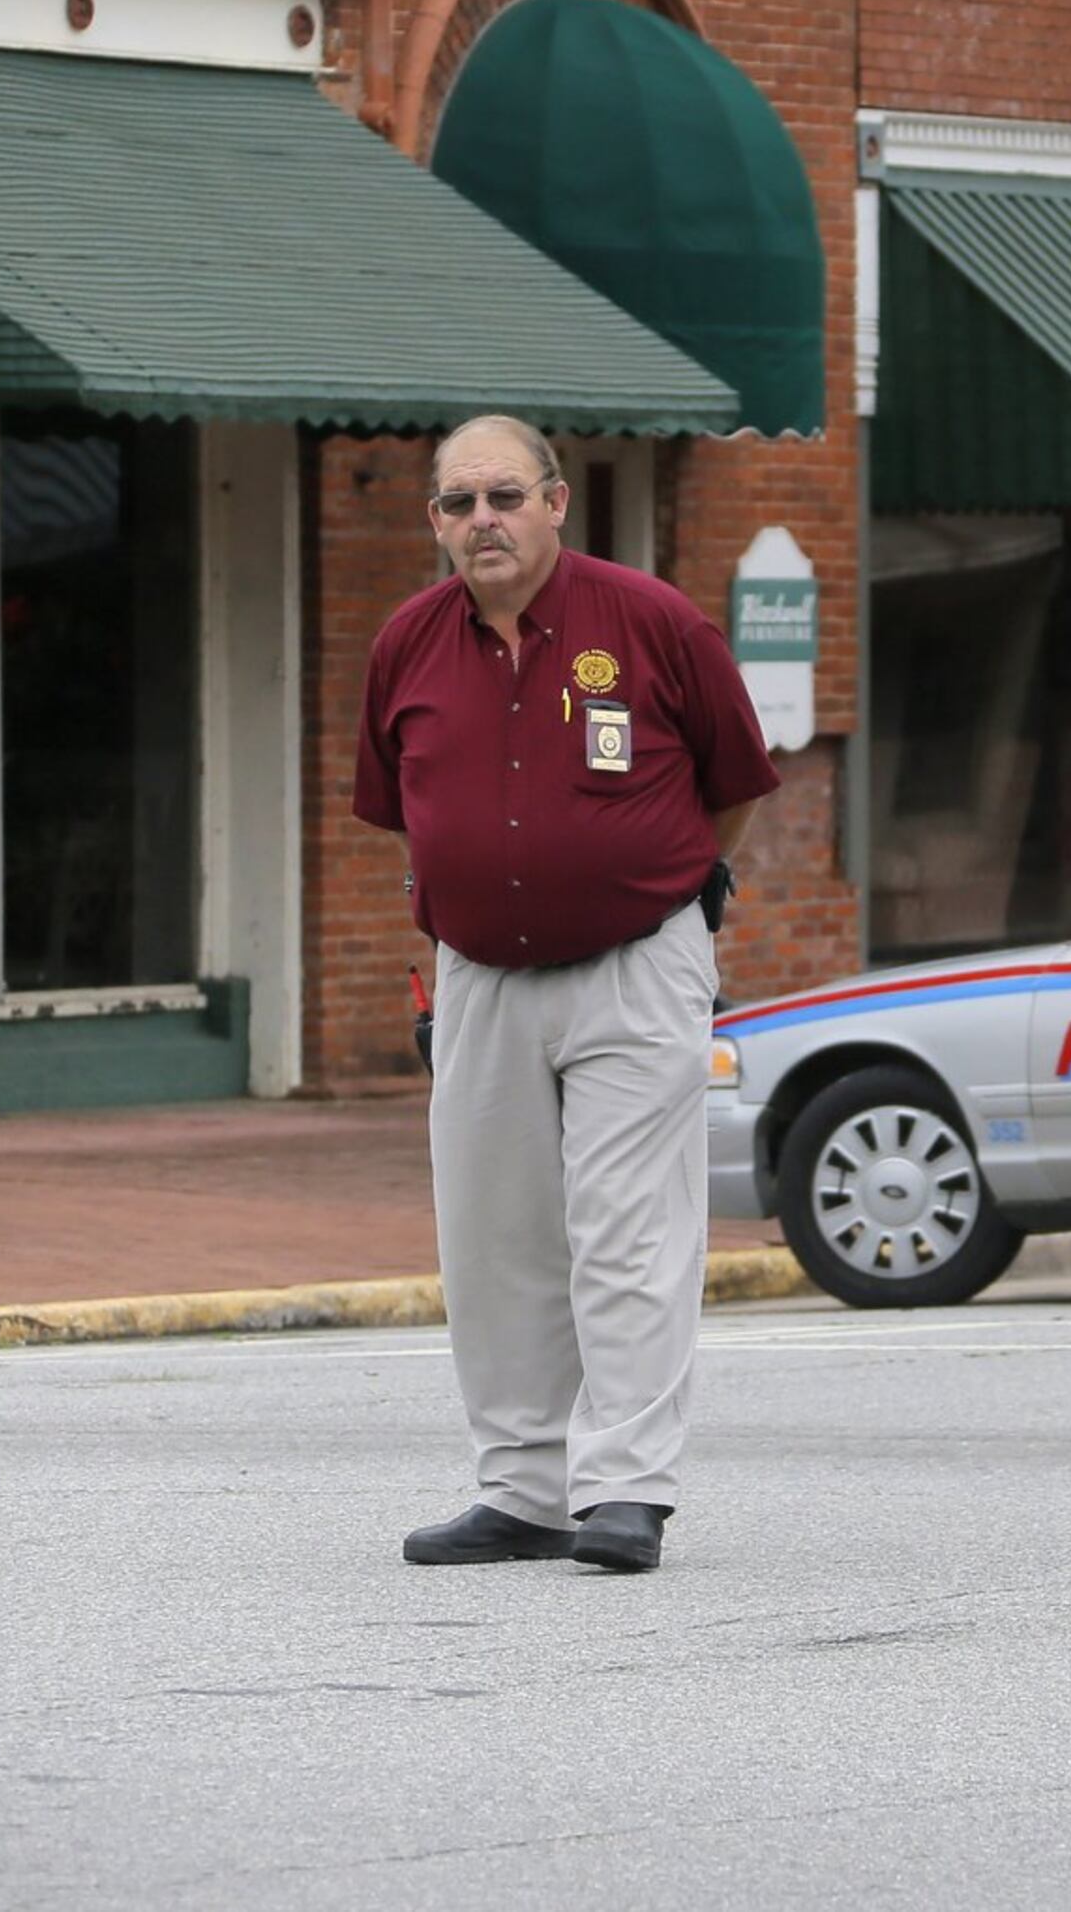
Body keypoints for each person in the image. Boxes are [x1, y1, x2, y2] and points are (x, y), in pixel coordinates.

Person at [356, 415, 780, 1574]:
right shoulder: (405, 644)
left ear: (556, 503)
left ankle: (627, 1489)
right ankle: (522, 1488)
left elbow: (733, 783)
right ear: (435, 521)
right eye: (456, 503)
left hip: (635, 961)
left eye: (502, 496)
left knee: (626, 1227)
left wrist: (676, 885)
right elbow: (405, 815)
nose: (480, 521)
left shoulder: (650, 622)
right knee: (495, 1237)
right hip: (479, 972)